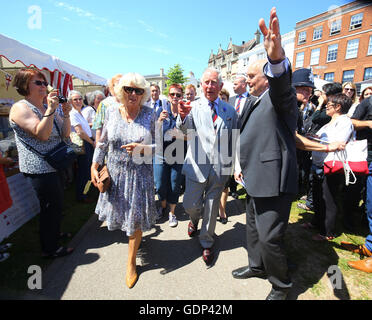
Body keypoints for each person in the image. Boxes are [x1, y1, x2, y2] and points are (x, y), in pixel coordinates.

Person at [232, 8, 298, 300]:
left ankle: (281, 286)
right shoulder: (252, 101)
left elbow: (283, 85)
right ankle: (256, 266)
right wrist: (240, 165)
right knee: (254, 229)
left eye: (251, 76)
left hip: (274, 180)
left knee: (271, 236)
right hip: (252, 177)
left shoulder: (279, 97)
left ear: (267, 77)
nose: (246, 82)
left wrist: (275, 59)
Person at [91, 72, 157, 288]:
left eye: (138, 90)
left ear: (144, 94)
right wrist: (95, 164)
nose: (133, 94)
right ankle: (135, 246)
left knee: (134, 221)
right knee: (122, 217)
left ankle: (130, 263)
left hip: (140, 177)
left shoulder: (150, 114)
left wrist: (143, 148)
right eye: (128, 89)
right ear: (120, 91)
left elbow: (163, 147)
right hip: (117, 176)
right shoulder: (111, 112)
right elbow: (102, 143)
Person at [177, 67, 239, 266]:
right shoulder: (193, 106)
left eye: (214, 83)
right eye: (206, 82)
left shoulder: (229, 111)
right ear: (201, 85)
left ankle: (207, 242)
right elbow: (184, 129)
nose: (210, 86)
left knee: (212, 207)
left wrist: (233, 166)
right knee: (190, 204)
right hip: (196, 166)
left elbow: (233, 140)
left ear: (220, 86)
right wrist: (183, 116)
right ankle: (194, 220)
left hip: (219, 168)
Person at [9, 68, 73, 258]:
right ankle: (50, 248)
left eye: (45, 83)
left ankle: (54, 234)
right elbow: (42, 134)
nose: (44, 86)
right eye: (38, 83)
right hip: (40, 167)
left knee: (57, 204)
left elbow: (65, 134)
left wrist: (67, 114)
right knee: (49, 207)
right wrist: (52, 110)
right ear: (24, 85)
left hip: (55, 163)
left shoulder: (45, 107)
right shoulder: (20, 107)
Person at [310, 94, 355, 241]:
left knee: (328, 198)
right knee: (317, 195)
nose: (326, 106)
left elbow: (338, 143)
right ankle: (317, 222)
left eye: (329, 104)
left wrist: (320, 141)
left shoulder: (345, 122)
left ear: (338, 106)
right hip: (319, 163)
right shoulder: (329, 122)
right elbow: (321, 138)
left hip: (332, 165)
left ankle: (327, 231)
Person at [342, 95, 372, 273]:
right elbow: (352, 122)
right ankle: (369, 246)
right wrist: (369, 124)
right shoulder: (368, 102)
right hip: (365, 158)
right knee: (369, 204)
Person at [154, 83, 186, 227]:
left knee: (174, 185)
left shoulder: (185, 113)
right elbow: (153, 133)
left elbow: (192, 135)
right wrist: (159, 121)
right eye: (172, 94)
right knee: (160, 184)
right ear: (168, 96)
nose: (175, 97)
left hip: (178, 154)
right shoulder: (160, 110)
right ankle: (162, 205)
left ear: (182, 97)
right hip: (161, 153)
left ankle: (172, 213)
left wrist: (179, 135)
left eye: (178, 95)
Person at [68, 90, 95, 203]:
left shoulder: (79, 112)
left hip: (86, 142)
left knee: (87, 170)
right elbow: (79, 132)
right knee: (84, 171)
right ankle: (82, 196)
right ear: (70, 101)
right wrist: (92, 142)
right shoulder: (73, 113)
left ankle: (85, 193)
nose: (78, 101)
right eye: (75, 99)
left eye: (80, 99)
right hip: (82, 144)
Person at [92, 74, 122, 143]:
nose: (119, 87)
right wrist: (98, 144)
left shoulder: (130, 102)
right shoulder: (105, 103)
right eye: (116, 84)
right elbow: (99, 127)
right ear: (112, 87)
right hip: (108, 142)